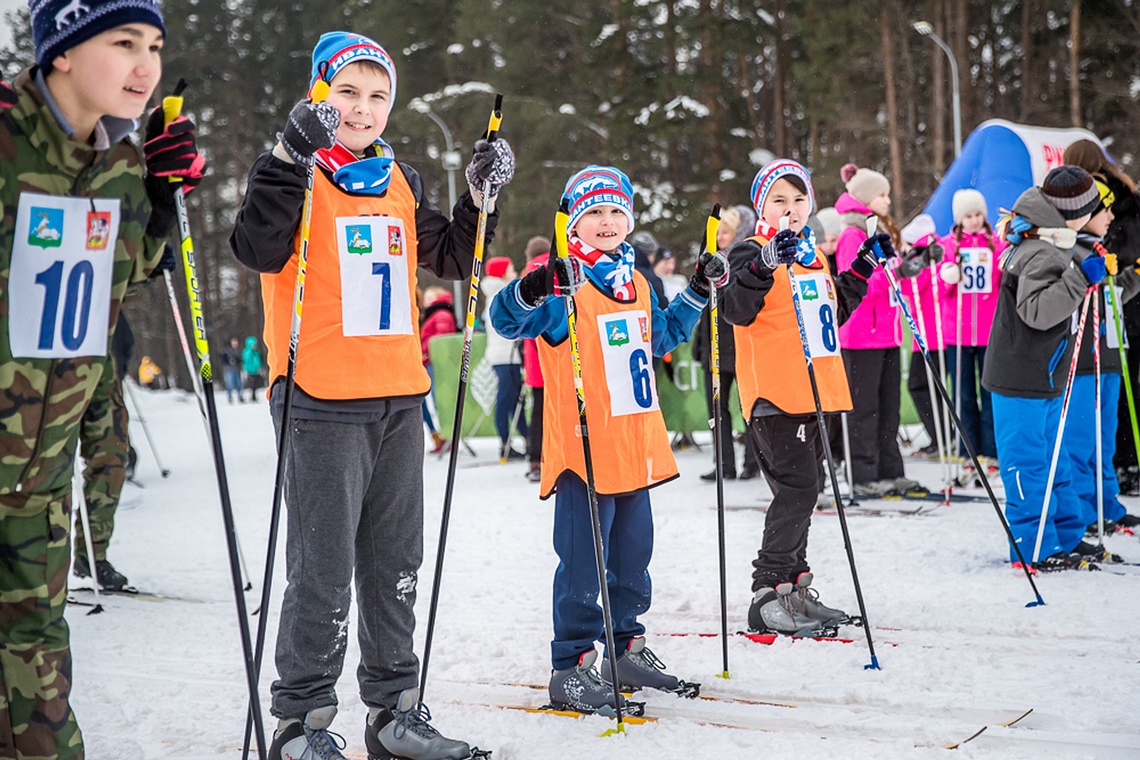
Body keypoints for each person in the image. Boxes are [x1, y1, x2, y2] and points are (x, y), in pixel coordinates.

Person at [229, 30, 513, 759]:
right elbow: (256, 248)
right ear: (320, 93)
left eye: (377, 95)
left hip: (396, 393)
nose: (362, 107)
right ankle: (300, 725)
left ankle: (394, 715)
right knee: (320, 571)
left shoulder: (400, 179)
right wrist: (288, 157)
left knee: (395, 567)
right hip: (319, 393)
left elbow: (453, 255)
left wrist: (478, 198)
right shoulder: (292, 170)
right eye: (347, 92)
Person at [0, 2, 201, 757]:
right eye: (123, 44)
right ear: (60, 52)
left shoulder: (120, 159)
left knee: (39, 673)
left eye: (153, 45)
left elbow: (131, 271)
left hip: (38, 474)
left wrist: (162, 197)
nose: (146, 65)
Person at [489, 165, 720, 712]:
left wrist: (696, 293)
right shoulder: (563, 280)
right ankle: (571, 666)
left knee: (633, 555)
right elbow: (507, 321)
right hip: (584, 451)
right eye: (594, 211)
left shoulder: (635, 280)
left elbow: (662, 335)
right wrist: (534, 286)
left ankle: (625, 649)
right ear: (573, 220)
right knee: (583, 563)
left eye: (617, 211)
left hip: (632, 446)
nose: (607, 221)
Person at [722, 160, 881, 635]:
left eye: (798, 200)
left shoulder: (813, 256)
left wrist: (863, 270)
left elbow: (831, 314)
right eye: (779, 201)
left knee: (805, 492)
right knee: (798, 490)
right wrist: (764, 264)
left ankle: (793, 586)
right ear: (761, 207)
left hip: (815, 392)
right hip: (775, 394)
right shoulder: (747, 252)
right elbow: (735, 309)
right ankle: (767, 591)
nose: (790, 210)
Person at [983, 165, 1106, 571]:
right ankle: (1033, 546)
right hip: (1021, 376)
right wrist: (1078, 281)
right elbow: (1036, 312)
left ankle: (1065, 535)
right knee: (1030, 464)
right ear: (1076, 211)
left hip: (1045, 372)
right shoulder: (1040, 249)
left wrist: (1083, 266)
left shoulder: (1053, 240)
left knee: (1057, 460)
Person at [1061, 179, 1140, 551]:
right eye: (1104, 211)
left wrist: (1134, 274)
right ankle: (1080, 509)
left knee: (1104, 439)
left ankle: (1105, 502)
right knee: (1080, 440)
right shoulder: (1072, 251)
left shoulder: (1098, 245)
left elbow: (1114, 293)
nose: (1110, 216)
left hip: (1109, 352)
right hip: (1084, 361)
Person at [835, 163, 919, 497]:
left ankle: (889, 469)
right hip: (860, 335)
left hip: (886, 332)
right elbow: (853, 283)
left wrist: (910, 267)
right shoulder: (852, 234)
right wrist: (892, 275)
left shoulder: (877, 231)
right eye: (881, 195)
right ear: (866, 199)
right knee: (864, 407)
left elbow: (892, 274)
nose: (887, 200)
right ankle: (862, 472)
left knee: (889, 406)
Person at [937, 189, 1006, 468]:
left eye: (978, 214)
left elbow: (1004, 281)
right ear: (959, 218)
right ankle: (968, 450)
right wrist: (948, 278)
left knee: (989, 391)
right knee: (963, 393)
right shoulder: (947, 245)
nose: (975, 220)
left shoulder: (996, 244)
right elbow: (940, 290)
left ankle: (991, 448)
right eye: (968, 216)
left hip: (989, 332)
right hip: (959, 333)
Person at [691, 204, 760, 480]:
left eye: (726, 233)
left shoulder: (745, 259)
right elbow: (706, 308)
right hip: (716, 345)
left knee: (748, 408)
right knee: (717, 409)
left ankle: (753, 462)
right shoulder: (710, 261)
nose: (721, 238)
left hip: (741, 343)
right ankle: (724, 463)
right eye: (717, 233)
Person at [75, 313, 137, 593]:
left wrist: (152, 267)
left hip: (99, 345)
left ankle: (91, 553)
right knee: (38, 467)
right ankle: (27, 570)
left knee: (112, 454)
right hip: (33, 344)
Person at [481, 256, 528, 461]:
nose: (515, 273)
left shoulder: (499, 292)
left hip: (507, 355)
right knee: (507, 399)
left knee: (516, 398)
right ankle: (505, 443)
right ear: (501, 273)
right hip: (505, 355)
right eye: (510, 270)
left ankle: (523, 439)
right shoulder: (500, 294)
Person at [521, 236, 551, 482]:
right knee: (564, 409)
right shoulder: (558, 268)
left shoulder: (525, 277)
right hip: (557, 352)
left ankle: (535, 460)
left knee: (539, 411)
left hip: (534, 356)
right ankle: (558, 457)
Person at [420, 286, 457, 455]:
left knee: (438, 401)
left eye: (431, 296)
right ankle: (441, 436)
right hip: (430, 361)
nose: (427, 300)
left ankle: (445, 435)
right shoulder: (435, 314)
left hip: (435, 362)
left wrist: (425, 351)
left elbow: (440, 338)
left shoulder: (440, 314)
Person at [222, 336, 244, 403]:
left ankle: (240, 396)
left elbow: (241, 360)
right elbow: (223, 360)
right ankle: (229, 396)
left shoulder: (238, 351)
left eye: (236, 342)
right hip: (229, 370)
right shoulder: (226, 351)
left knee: (239, 384)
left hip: (237, 369)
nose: (235, 344)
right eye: (234, 342)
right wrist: (229, 362)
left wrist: (237, 361)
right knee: (229, 384)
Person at [242, 335, 264, 401]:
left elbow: (258, 360)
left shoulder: (256, 352)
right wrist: (246, 369)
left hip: (256, 370)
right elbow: (245, 361)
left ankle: (254, 395)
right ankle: (251, 396)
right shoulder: (247, 352)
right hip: (250, 370)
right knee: (251, 384)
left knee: (256, 383)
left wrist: (260, 367)